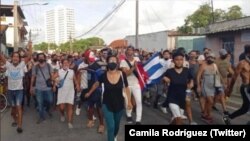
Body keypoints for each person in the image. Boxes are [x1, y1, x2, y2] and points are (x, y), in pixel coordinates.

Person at [86, 55, 132, 141]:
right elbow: (96, 84)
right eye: (110, 60)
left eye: (114, 60)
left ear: (117, 63)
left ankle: (114, 136)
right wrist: (89, 92)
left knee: (116, 126)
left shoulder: (122, 75)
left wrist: (129, 101)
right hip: (106, 104)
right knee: (111, 126)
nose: (112, 62)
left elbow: (126, 88)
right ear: (107, 63)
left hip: (119, 104)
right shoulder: (103, 75)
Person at [163, 52, 193, 125]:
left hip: (183, 98)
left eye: (181, 59)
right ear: (173, 61)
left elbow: (191, 79)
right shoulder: (169, 71)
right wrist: (164, 79)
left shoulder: (187, 70)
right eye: (177, 60)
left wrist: (191, 84)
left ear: (183, 60)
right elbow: (163, 80)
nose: (179, 61)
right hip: (172, 98)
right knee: (179, 120)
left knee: (176, 120)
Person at [1, 52, 27, 133]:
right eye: (14, 56)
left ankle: (19, 126)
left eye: (17, 56)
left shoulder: (22, 65)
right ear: (11, 58)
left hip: (19, 90)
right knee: (13, 109)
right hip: (10, 91)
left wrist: (29, 46)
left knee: (18, 106)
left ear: (19, 58)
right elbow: (1, 57)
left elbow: (29, 56)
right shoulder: (8, 65)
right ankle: (15, 119)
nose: (15, 58)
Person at [223, 44, 250, 125]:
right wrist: (230, 90)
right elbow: (234, 77)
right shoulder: (242, 63)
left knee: (244, 109)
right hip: (246, 88)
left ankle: (228, 117)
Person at [120, 45, 142, 124]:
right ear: (126, 52)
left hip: (136, 84)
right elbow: (125, 74)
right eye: (128, 50)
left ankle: (138, 119)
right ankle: (129, 115)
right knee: (127, 101)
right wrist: (133, 67)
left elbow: (141, 71)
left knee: (139, 101)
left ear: (133, 51)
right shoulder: (123, 62)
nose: (130, 51)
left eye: (131, 50)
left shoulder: (137, 59)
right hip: (127, 85)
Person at [55, 59, 80, 129]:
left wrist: (77, 85)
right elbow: (53, 78)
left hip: (70, 91)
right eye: (64, 63)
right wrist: (56, 82)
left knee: (70, 107)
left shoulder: (72, 71)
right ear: (62, 64)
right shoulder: (59, 71)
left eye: (67, 63)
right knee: (61, 107)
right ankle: (62, 114)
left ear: (69, 64)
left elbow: (75, 80)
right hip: (61, 92)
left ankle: (69, 122)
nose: (66, 64)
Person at [30, 53, 54, 124]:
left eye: (42, 57)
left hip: (48, 88)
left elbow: (52, 75)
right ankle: (41, 117)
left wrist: (54, 84)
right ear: (37, 58)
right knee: (40, 103)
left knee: (50, 100)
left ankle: (47, 109)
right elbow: (33, 77)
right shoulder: (35, 67)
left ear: (44, 58)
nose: (41, 58)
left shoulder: (49, 66)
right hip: (38, 88)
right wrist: (31, 86)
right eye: (39, 57)